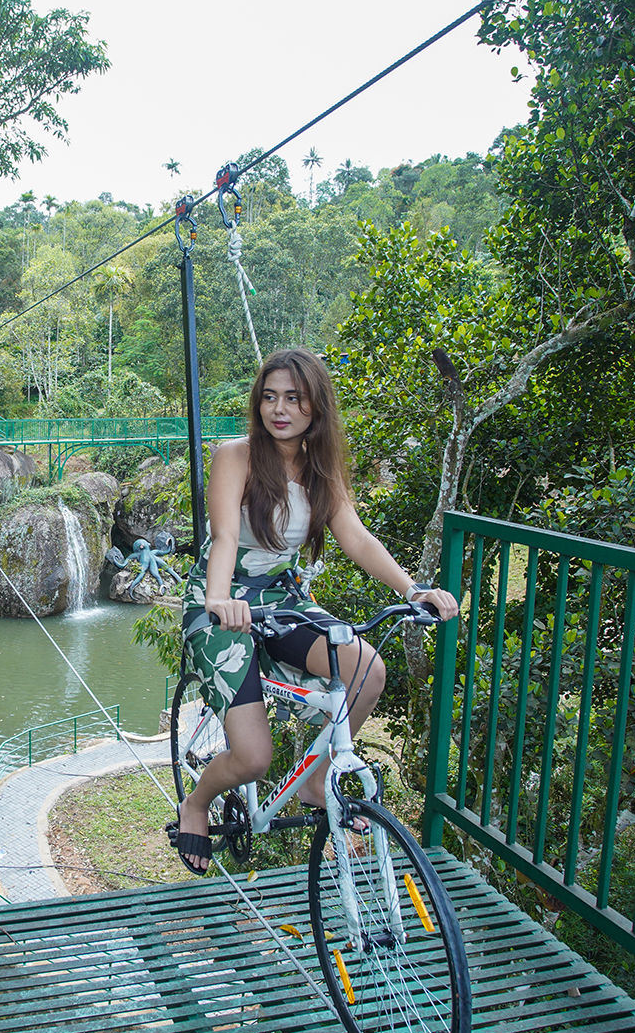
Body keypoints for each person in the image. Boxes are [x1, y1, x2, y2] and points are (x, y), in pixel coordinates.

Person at [173, 348, 458, 871]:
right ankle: (196, 804)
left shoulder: (322, 468)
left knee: (367, 669)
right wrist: (218, 598)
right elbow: (225, 535)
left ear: (315, 407)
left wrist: (412, 589)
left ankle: (312, 784)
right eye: (269, 397)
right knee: (254, 757)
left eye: (294, 398)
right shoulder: (234, 455)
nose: (278, 409)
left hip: (282, 597)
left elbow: (356, 537)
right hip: (221, 599)